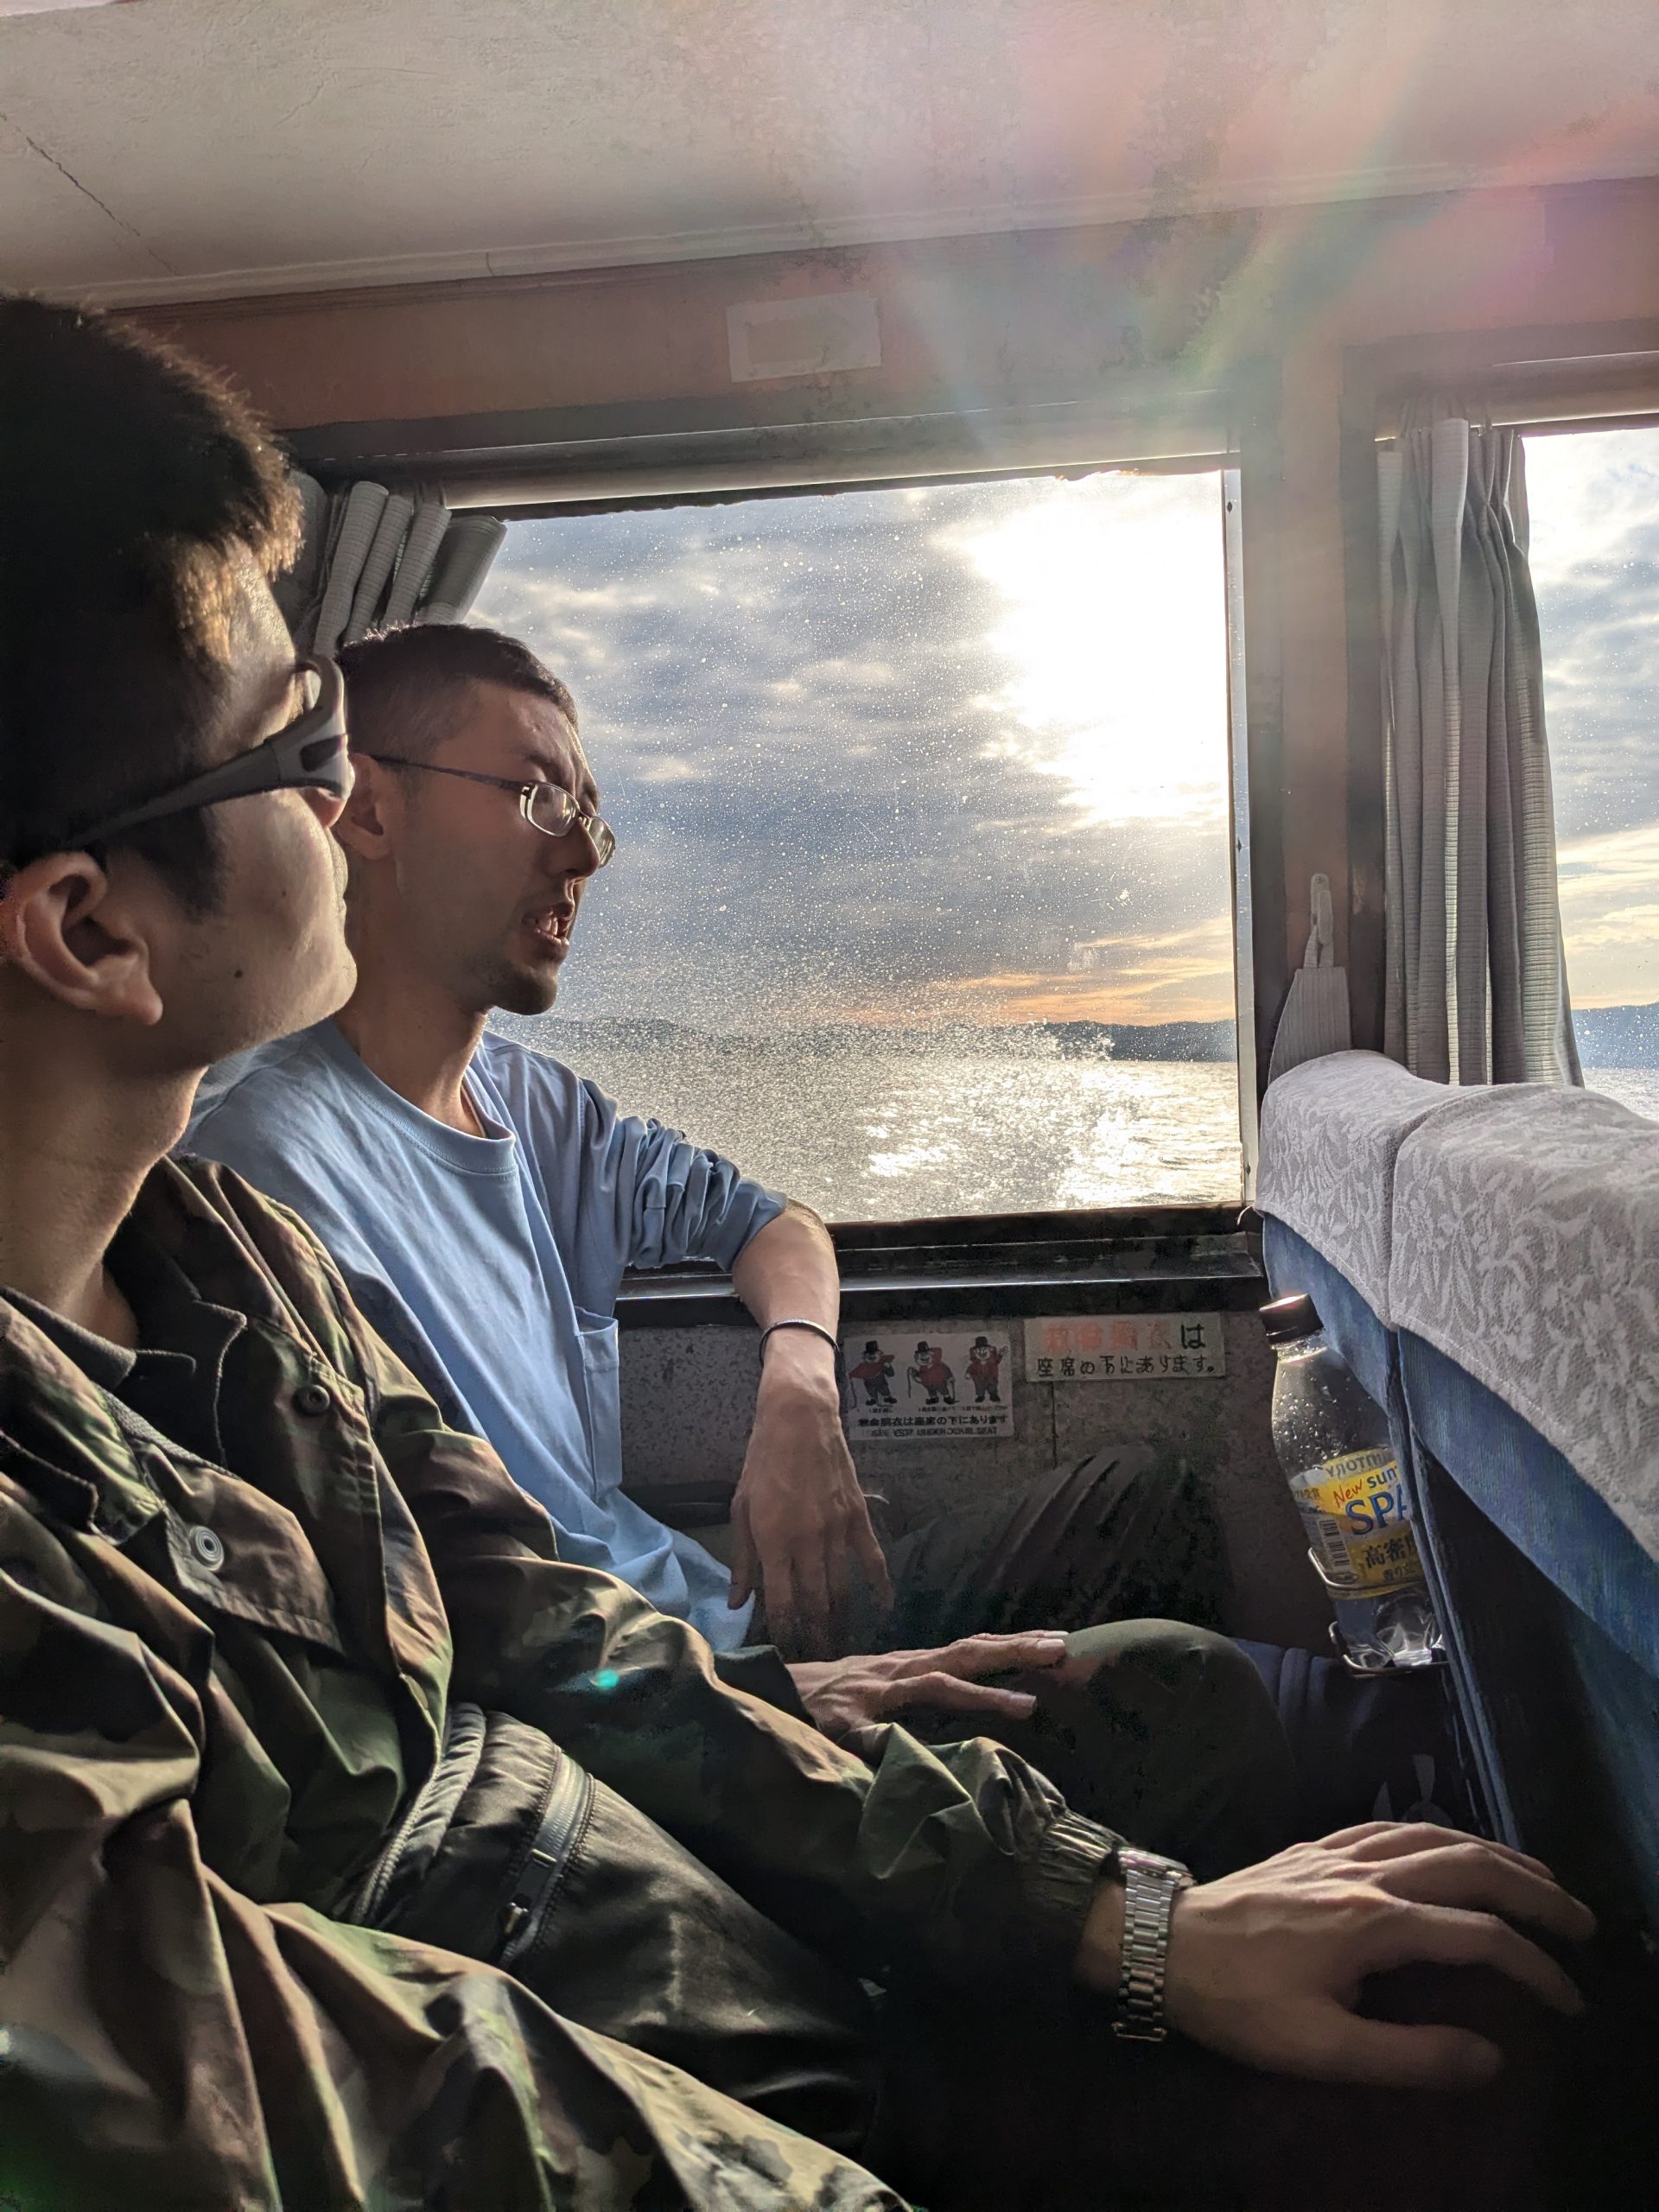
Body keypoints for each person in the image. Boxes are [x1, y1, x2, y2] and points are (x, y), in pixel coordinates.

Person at [0, 297, 1597, 2212]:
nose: (337, 800)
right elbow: (281, 2093)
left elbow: (568, 1639)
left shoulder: (234, 1272)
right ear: (93, 932)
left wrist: (1113, 1918)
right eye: (301, 748)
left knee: (1471, 2012)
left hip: (756, 1939)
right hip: (700, 2046)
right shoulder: (246, 1214)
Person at [186, 619, 1233, 1785]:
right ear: (370, 811)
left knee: (1142, 1500)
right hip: (631, 1721)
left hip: (718, 1634)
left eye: (590, 819)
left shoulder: (540, 1111)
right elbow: (421, 1616)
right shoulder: (261, 1172)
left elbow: (776, 1226)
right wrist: (765, 1704)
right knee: (1189, 1685)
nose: (581, 857)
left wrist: (798, 1391)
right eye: (538, 799)